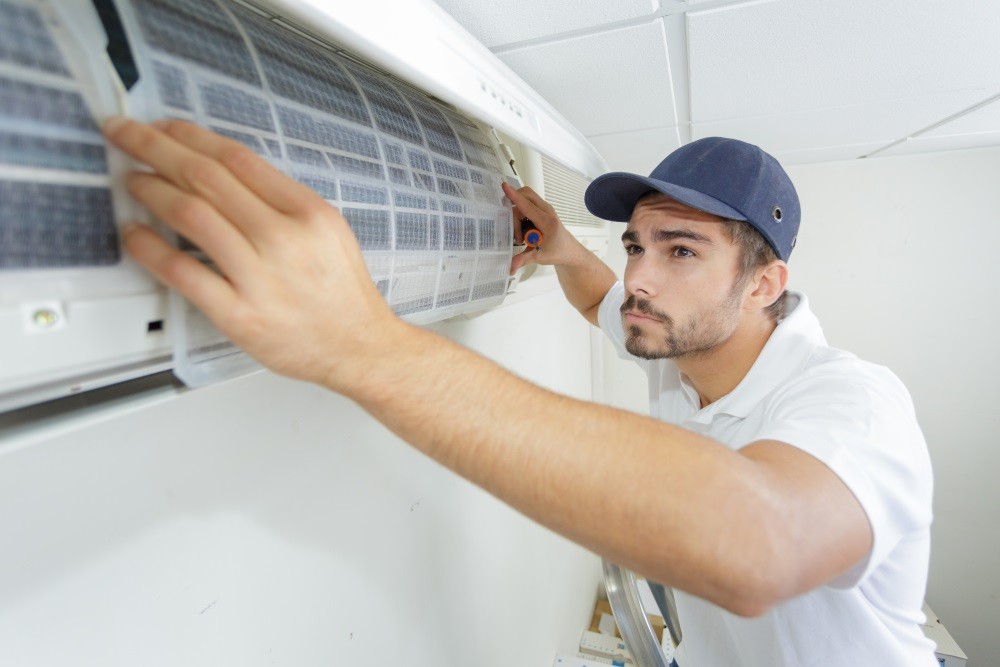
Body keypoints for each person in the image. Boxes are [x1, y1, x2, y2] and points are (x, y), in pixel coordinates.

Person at [100, 117, 935, 666]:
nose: (640, 276)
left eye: (681, 251)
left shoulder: (854, 406)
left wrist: (362, 345)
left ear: (764, 284)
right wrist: (565, 248)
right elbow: (605, 299)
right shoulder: (680, 346)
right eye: (636, 243)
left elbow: (761, 546)